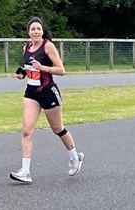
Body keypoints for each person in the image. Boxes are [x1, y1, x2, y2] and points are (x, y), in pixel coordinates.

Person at [10, 16, 84, 184]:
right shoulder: (26, 48)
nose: (36, 32)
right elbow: (29, 67)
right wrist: (22, 73)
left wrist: (43, 68)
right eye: (32, 29)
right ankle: (25, 172)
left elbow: (61, 70)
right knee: (27, 130)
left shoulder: (48, 46)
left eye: (38, 29)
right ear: (28, 32)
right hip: (31, 93)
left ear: (42, 31)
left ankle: (75, 156)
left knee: (57, 128)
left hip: (48, 92)